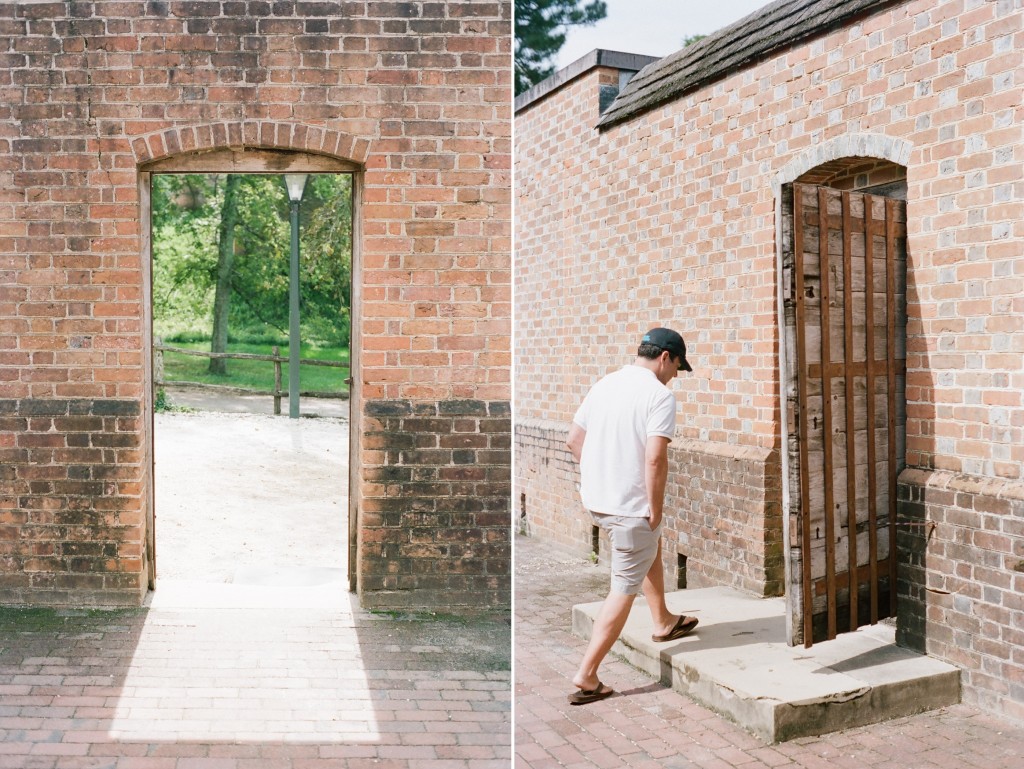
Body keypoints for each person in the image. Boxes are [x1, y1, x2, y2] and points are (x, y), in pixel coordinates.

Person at [565, 327, 698, 705]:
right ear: (665, 358)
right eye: (677, 367)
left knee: (645, 548)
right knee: (622, 588)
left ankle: (663, 621)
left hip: (599, 500)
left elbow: (574, 440)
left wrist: (601, 476)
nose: (676, 376)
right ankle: (587, 674)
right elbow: (655, 458)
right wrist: (654, 507)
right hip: (629, 508)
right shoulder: (659, 396)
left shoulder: (605, 384)